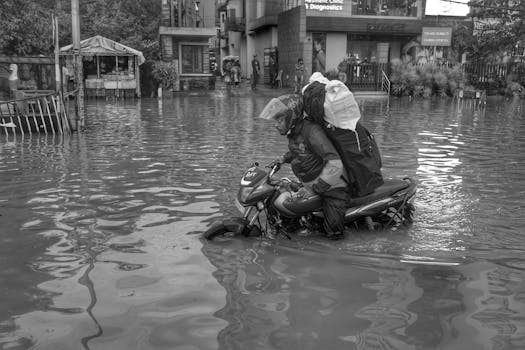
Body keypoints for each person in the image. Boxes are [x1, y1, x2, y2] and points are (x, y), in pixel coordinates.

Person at [259, 94, 349, 240]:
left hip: (332, 189)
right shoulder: (295, 132)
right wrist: (282, 159)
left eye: (279, 120)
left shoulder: (312, 132)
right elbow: (301, 151)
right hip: (312, 184)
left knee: (333, 234)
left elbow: (335, 163)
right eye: (276, 120)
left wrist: (313, 190)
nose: (276, 124)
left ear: (291, 118)